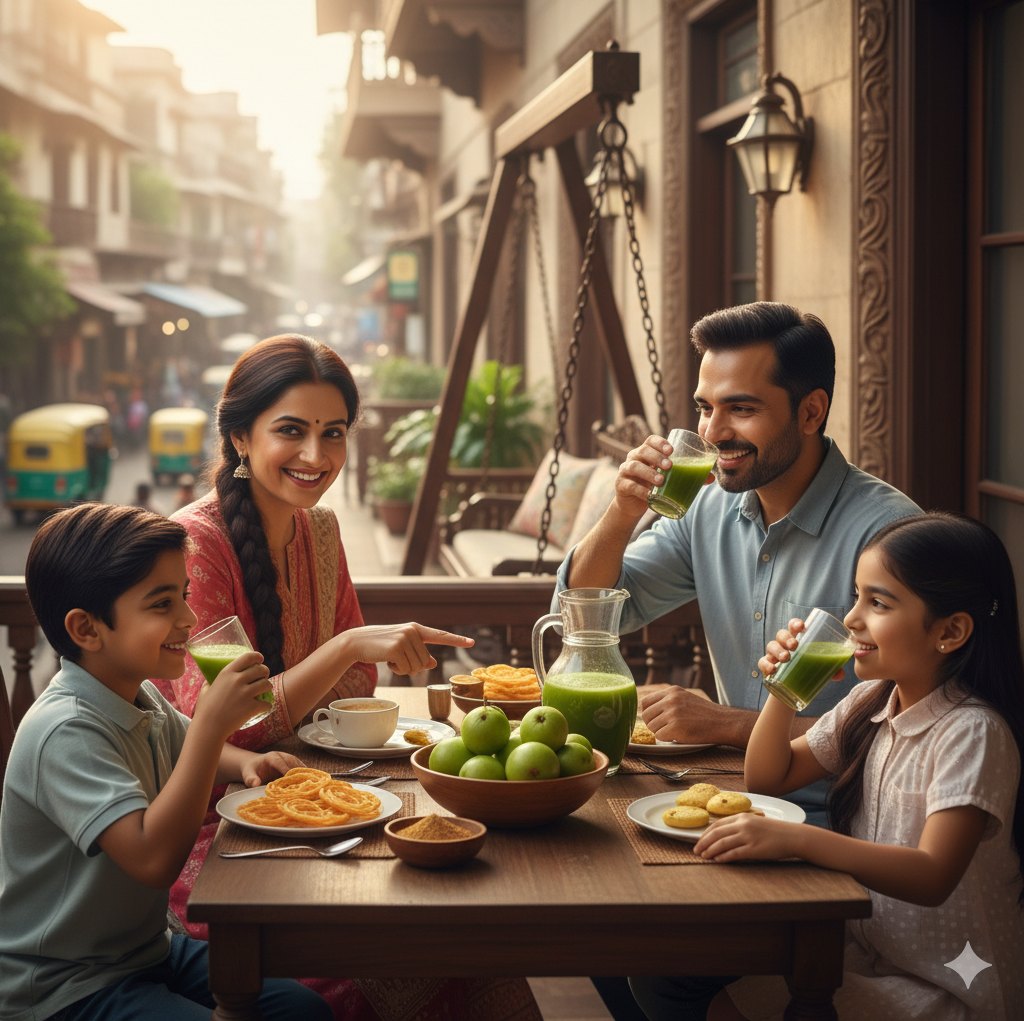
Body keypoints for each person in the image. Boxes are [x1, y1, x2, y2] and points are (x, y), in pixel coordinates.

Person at [159, 334, 541, 1021]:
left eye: (332, 433)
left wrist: (338, 664)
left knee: (479, 949)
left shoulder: (322, 530)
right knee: (389, 973)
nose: (316, 456)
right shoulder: (195, 546)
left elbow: (357, 688)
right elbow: (227, 726)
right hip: (223, 843)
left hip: (331, 810)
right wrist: (338, 651)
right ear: (240, 436)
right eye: (291, 432)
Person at [558, 303, 920, 826]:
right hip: (727, 798)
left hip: (842, 822)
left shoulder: (887, 534)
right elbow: (586, 614)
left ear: (811, 412)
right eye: (705, 408)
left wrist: (726, 723)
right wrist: (621, 513)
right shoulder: (707, 504)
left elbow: (902, 730)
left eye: (741, 410)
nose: (714, 431)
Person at [657, 512, 1024, 1021]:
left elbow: (933, 874)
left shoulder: (972, 731)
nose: (851, 618)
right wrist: (784, 691)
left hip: (948, 986)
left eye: (877, 603)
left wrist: (799, 839)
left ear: (950, 631)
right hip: (871, 955)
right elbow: (769, 778)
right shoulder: (873, 700)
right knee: (715, 998)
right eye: (856, 596)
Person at [0, 502, 329, 1021]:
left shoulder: (138, 695)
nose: (189, 619)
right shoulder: (65, 730)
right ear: (87, 629)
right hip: (66, 981)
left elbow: (192, 747)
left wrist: (247, 764)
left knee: (302, 1010)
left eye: (185, 595)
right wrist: (211, 724)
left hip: (146, 951)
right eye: (161, 604)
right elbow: (153, 861)